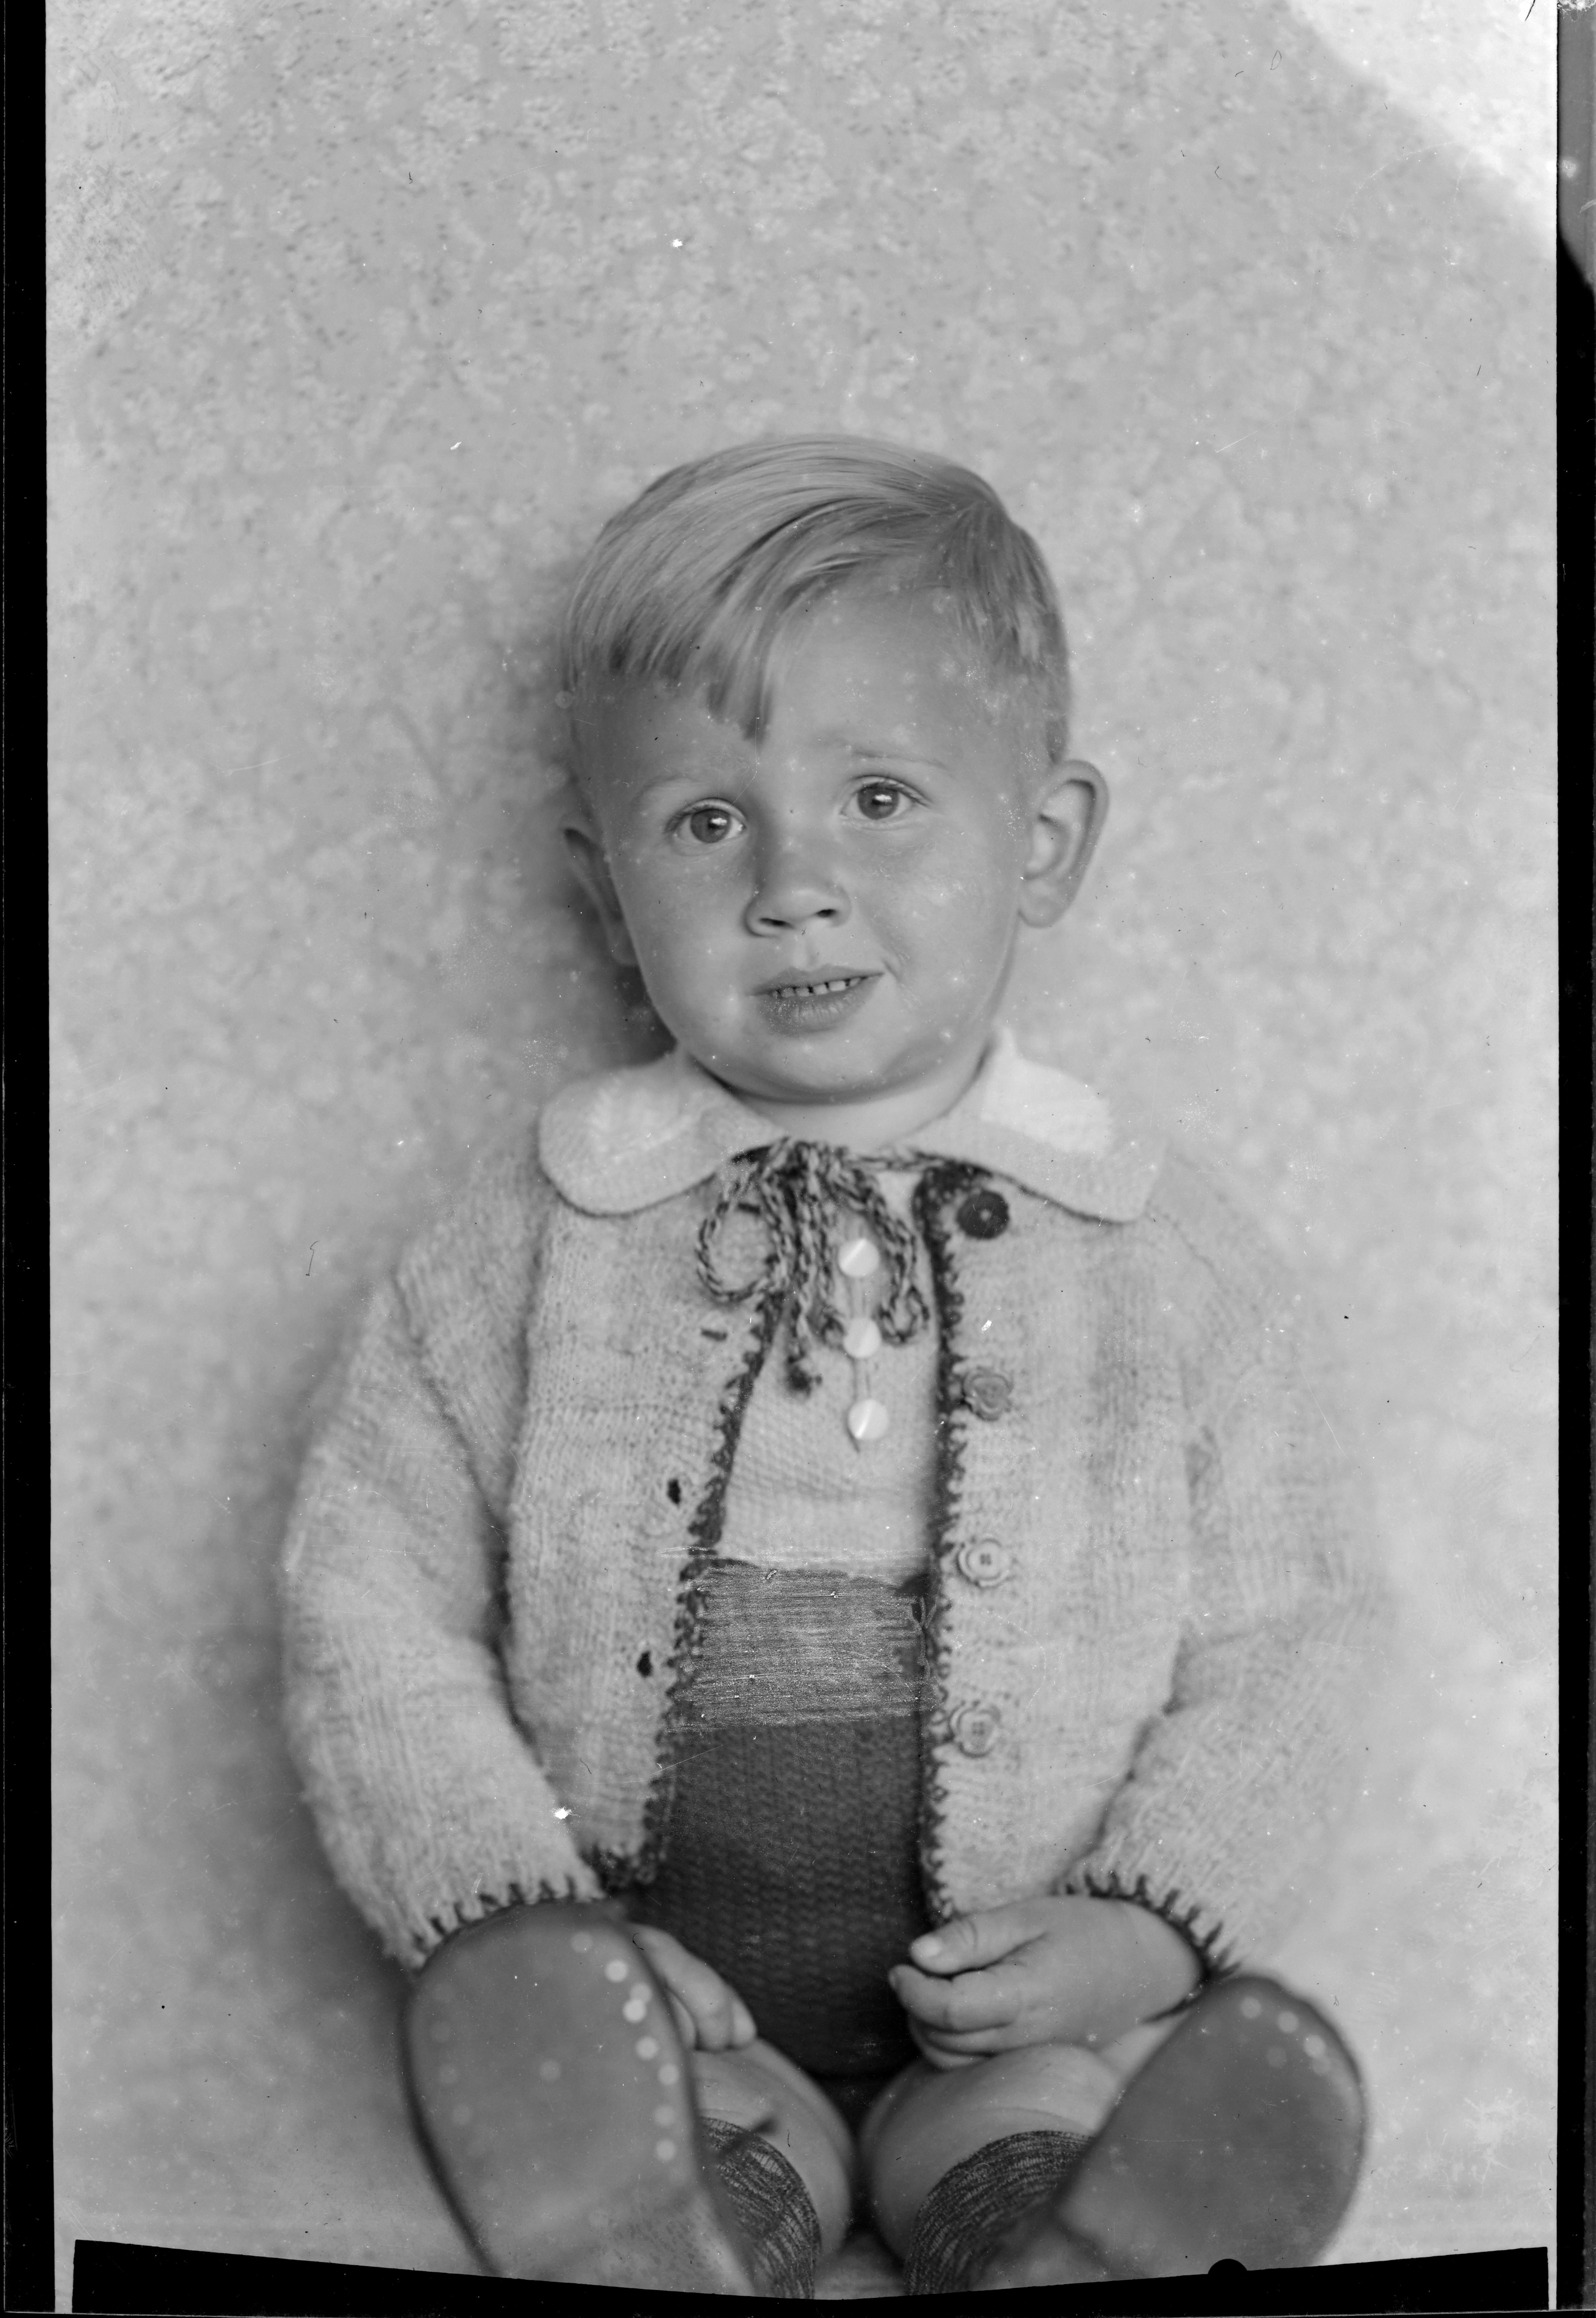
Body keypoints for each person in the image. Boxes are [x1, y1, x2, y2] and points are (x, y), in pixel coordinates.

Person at [281, 435, 1387, 2296]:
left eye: (878, 796)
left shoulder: (1156, 1253)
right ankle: (661, 2225)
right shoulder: (534, 1235)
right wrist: (533, 1928)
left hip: (1017, 2011)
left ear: (1042, 842)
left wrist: (1144, 1926)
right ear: (603, 885)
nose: (792, 887)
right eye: (704, 824)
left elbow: (1301, 1628)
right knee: (705, 2133)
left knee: (1026, 2131)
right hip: (671, 2000)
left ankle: (1060, 2241)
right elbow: (364, 1600)